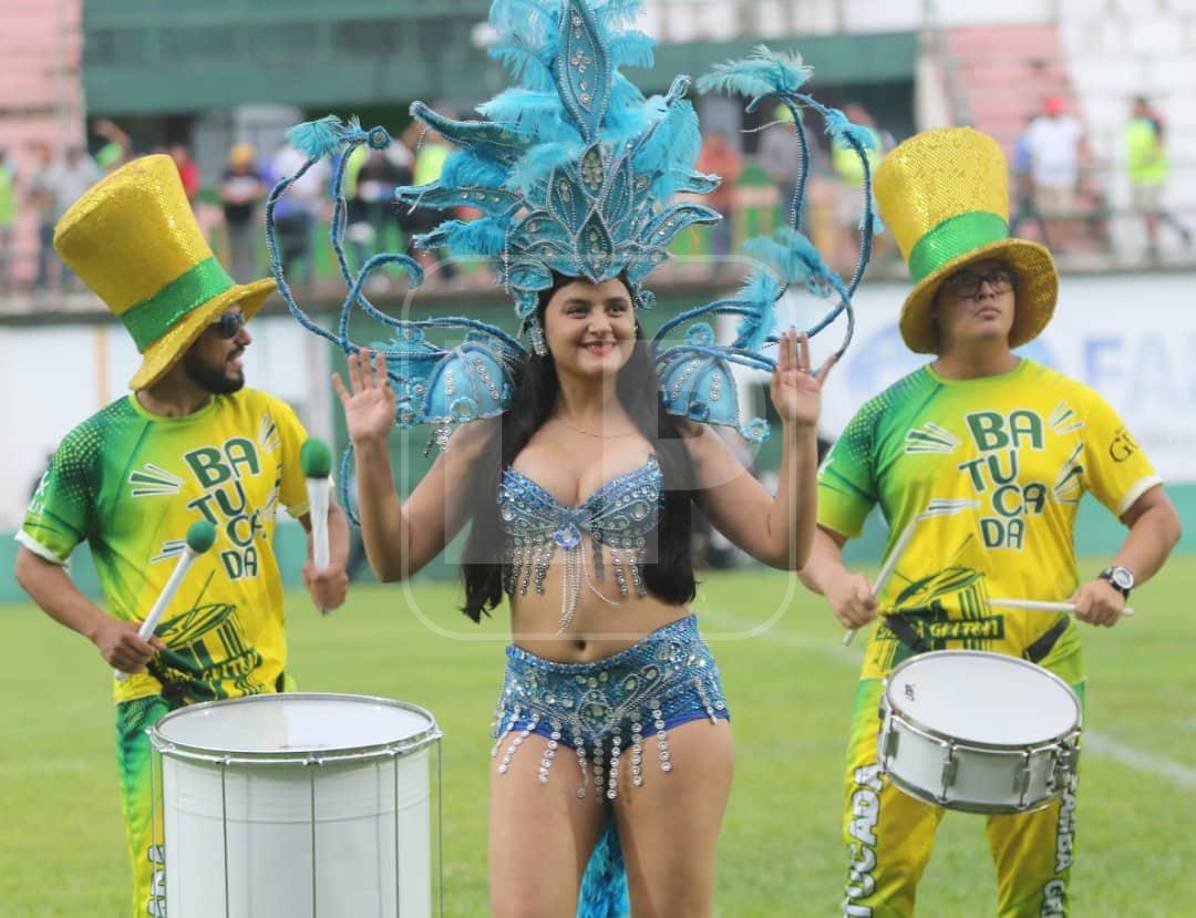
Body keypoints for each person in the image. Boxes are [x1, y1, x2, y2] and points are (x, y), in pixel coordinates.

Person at [270, 7, 871, 913]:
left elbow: (784, 545)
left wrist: (795, 430)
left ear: (636, 316)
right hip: (538, 708)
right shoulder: (491, 429)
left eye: (616, 307)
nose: (601, 324)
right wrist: (370, 447)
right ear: (540, 323)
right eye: (578, 308)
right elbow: (394, 556)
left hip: (667, 699)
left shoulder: (679, 426)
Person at [798, 127, 1182, 917]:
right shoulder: (882, 415)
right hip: (905, 670)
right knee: (876, 892)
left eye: (999, 277)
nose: (988, 292)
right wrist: (835, 583)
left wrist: (1115, 579)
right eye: (967, 280)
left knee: (1037, 900)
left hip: (1040, 672)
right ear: (934, 303)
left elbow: (1157, 516)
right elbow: (812, 535)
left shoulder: (1073, 405)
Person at [12, 154, 351, 918]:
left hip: (265, 702)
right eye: (227, 324)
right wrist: (101, 628)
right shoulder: (93, 448)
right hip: (158, 712)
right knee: (175, 898)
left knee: (274, 895)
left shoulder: (268, 418)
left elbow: (321, 510)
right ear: (182, 336)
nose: (245, 337)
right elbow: (35, 563)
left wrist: (330, 559)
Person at [1124, 96, 1192, 260]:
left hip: (1152, 174)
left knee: (1151, 210)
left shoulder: (1154, 122)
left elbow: (1159, 143)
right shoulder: (1133, 124)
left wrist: (1150, 157)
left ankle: (1153, 243)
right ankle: (1180, 230)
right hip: (1137, 175)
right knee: (1147, 209)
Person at [1025, 96, 1083, 252]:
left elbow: (1079, 146)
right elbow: (1033, 153)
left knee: (1064, 213)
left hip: (1065, 177)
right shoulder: (1038, 127)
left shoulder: (1069, 124)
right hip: (1044, 177)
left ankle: (1060, 242)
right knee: (1049, 215)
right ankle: (1053, 243)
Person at [220, 143, 266, 282]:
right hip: (231, 216)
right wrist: (234, 197)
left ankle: (250, 277)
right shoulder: (228, 174)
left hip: (248, 216)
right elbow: (223, 191)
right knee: (234, 248)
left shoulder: (254, 174)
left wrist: (247, 196)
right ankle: (234, 278)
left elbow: (261, 190)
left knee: (249, 247)